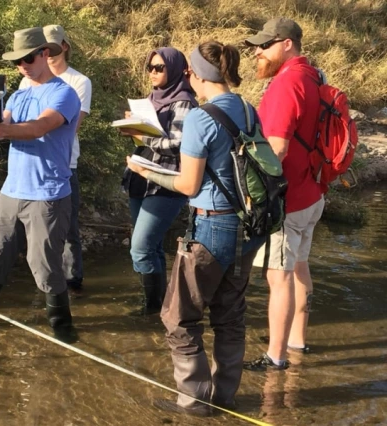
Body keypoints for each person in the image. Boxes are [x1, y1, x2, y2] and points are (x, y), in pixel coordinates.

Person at [126, 41, 264, 415]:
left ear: (200, 74)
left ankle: (194, 403)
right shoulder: (249, 110)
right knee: (230, 316)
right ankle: (225, 397)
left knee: (179, 317)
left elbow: (188, 185)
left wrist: (147, 170)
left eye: (189, 72)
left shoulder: (203, 118)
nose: (187, 78)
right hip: (248, 228)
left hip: (211, 227)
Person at [0, 27, 81, 343]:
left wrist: (0, 130)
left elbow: (39, 127)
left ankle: (62, 327)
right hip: (12, 192)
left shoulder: (63, 93)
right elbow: (3, 124)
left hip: (47, 195)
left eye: (27, 58)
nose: (22, 65)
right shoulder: (19, 93)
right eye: (17, 61)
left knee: (46, 268)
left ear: (46, 54)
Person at [242, 18, 325, 371]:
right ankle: (296, 341)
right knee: (299, 267)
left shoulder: (286, 83)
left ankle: (276, 357)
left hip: (287, 200)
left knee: (279, 276)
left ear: (287, 44)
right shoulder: (314, 76)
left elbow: (274, 151)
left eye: (265, 45)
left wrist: (254, 198)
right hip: (312, 193)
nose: (257, 52)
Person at [120, 47, 197, 316]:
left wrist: (142, 137)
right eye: (150, 67)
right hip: (141, 176)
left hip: (167, 181)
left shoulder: (184, 101)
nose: (153, 72)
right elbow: (151, 138)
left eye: (159, 68)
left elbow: (179, 144)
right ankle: (159, 306)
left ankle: (154, 308)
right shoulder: (152, 99)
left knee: (140, 247)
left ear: (175, 70)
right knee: (147, 247)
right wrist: (134, 127)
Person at [19, 25, 92, 298]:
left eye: (51, 47)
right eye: (41, 49)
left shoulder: (79, 82)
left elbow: (71, 127)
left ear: (64, 47)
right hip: (31, 163)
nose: (46, 53)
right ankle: (46, 281)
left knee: (68, 227)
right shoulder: (27, 79)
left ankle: (73, 282)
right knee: (34, 229)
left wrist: (36, 126)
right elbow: (19, 119)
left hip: (64, 164)